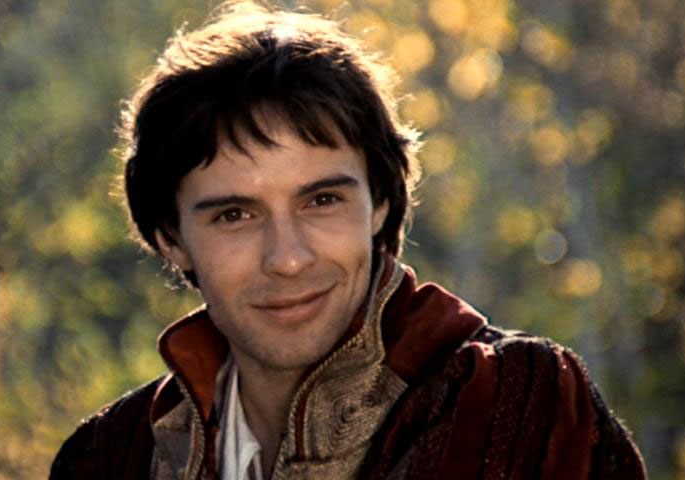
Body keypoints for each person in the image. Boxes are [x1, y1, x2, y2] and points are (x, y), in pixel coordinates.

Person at [50, 2, 646, 479]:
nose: (288, 258)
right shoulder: (110, 457)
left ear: (379, 202)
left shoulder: (513, 403)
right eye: (235, 215)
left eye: (322, 201)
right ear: (170, 237)